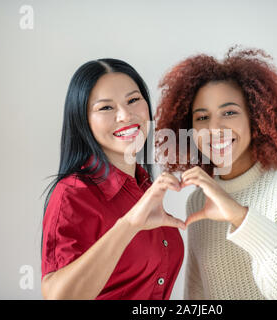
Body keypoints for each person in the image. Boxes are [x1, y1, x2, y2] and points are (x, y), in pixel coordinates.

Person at [154, 46, 277, 299]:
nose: (214, 128)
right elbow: (198, 294)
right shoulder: (198, 202)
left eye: (229, 112)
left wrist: (240, 216)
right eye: (202, 118)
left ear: (255, 117)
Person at [41, 58, 185, 300]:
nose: (125, 115)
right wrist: (128, 226)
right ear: (83, 120)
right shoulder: (73, 193)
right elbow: (59, 296)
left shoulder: (145, 186)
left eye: (133, 100)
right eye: (106, 108)